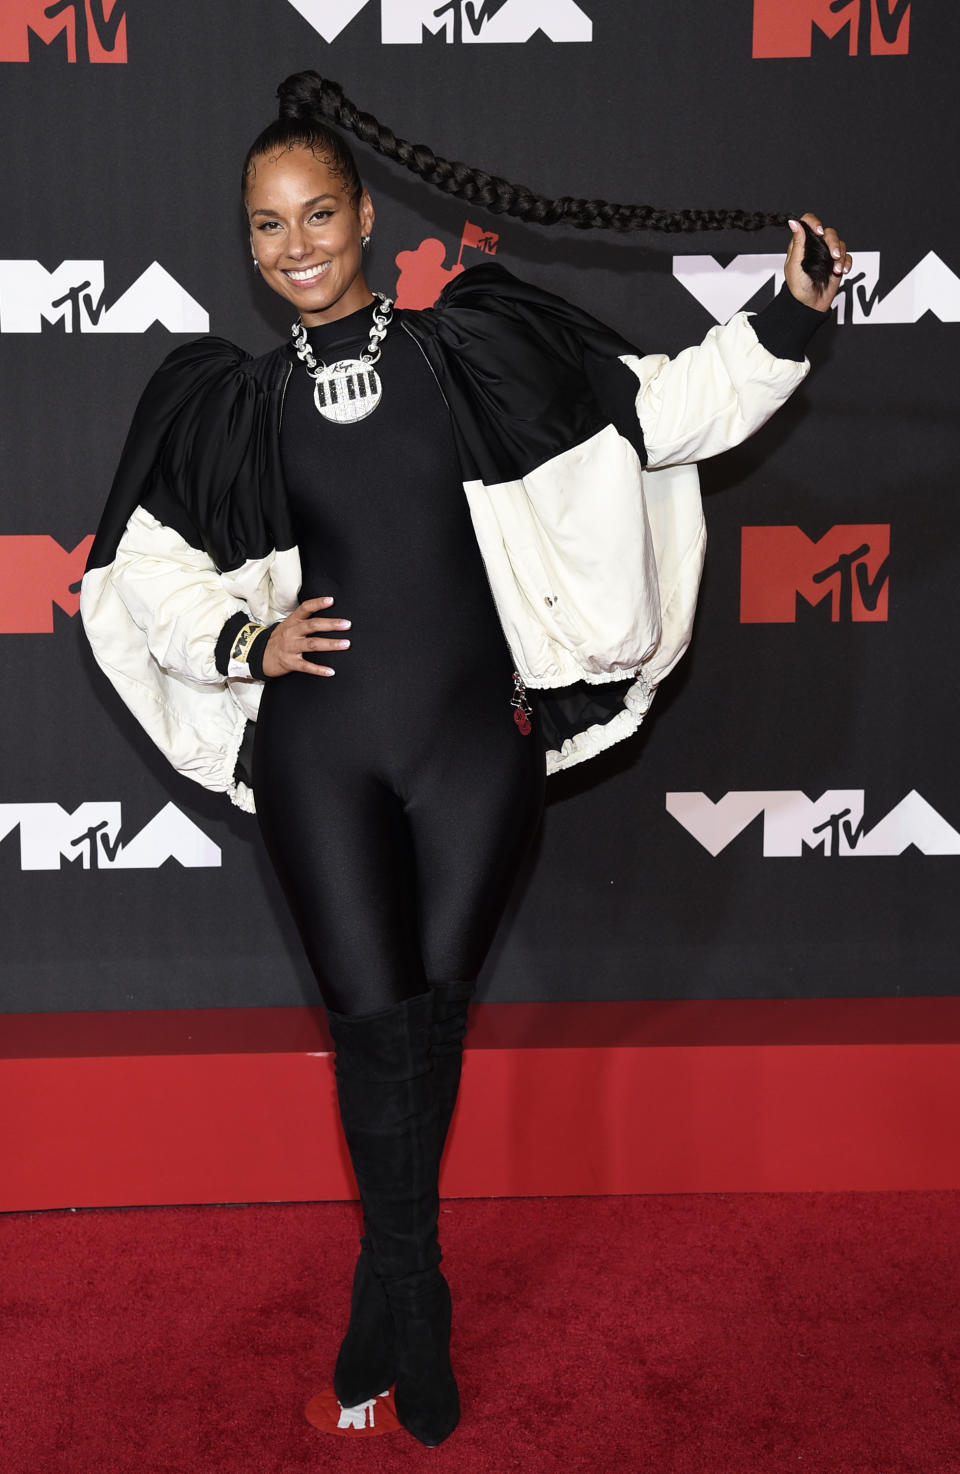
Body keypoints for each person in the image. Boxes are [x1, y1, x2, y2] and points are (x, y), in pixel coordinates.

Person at [80, 72, 851, 1448]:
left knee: (424, 1024)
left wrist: (787, 313)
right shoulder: (229, 405)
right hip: (322, 756)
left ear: (368, 214)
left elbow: (661, 413)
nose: (298, 243)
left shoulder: (472, 350)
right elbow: (136, 563)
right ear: (246, 243)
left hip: (474, 753)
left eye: (320, 211)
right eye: (269, 224)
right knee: (373, 1027)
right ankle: (417, 1292)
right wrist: (238, 640)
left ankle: (385, 1285)